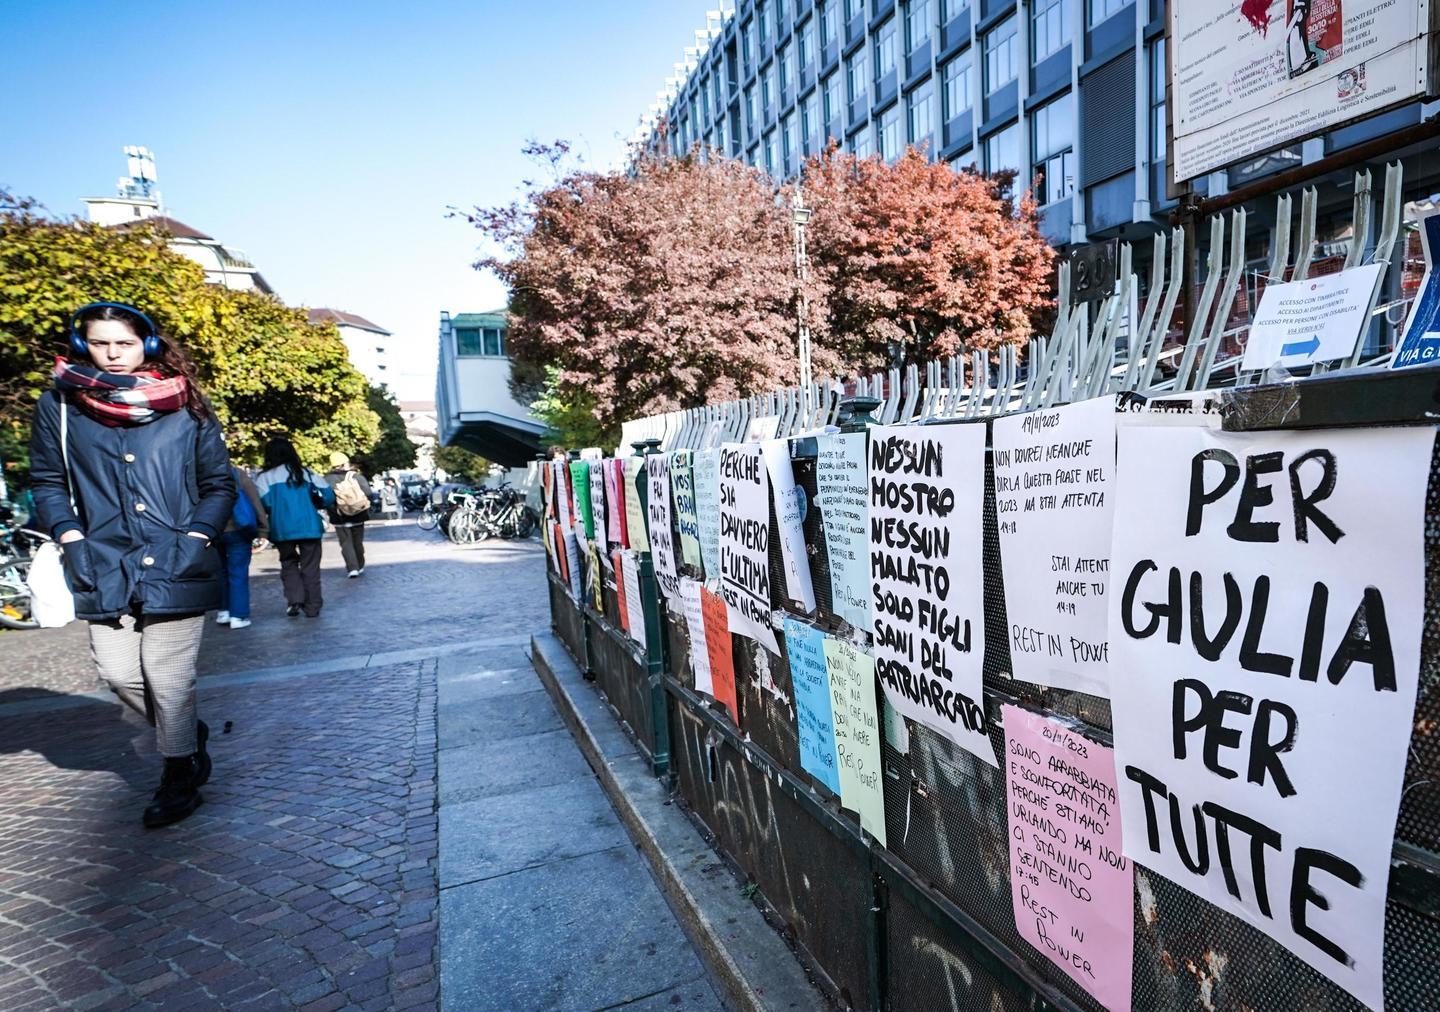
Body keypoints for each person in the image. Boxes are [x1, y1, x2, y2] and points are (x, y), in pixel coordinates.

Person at [27, 301, 235, 828]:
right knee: (120, 674)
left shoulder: (186, 405)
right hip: (103, 559)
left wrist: (195, 536)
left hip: (176, 557)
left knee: (167, 676)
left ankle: (178, 774)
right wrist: (72, 538)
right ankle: (187, 733)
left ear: (145, 342)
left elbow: (218, 484)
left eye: (123, 342)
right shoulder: (61, 405)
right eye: (100, 343)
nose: (113, 354)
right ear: (83, 346)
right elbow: (48, 481)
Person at [254, 439, 334, 617]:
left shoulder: (265, 478)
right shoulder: (306, 473)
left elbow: (263, 504)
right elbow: (328, 496)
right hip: (309, 526)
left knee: (288, 563)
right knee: (311, 567)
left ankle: (295, 600)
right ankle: (313, 606)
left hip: (282, 528)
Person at [215, 464, 267, 630]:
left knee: (220, 572)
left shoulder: (198, 471)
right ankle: (238, 615)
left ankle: (223, 611)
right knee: (238, 572)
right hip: (238, 528)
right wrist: (263, 529)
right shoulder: (236, 473)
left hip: (212, 529)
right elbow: (254, 500)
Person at [323, 451, 372, 577]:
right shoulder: (356, 477)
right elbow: (368, 492)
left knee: (345, 543)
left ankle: (352, 568)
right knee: (358, 541)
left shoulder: (327, 479)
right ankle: (360, 565)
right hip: (358, 514)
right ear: (346, 463)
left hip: (339, 516)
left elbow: (325, 499)